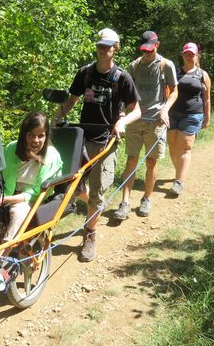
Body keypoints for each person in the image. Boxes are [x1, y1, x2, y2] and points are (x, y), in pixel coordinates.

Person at [55, 28, 141, 262]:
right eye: (100, 46)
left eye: (107, 46)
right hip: (80, 138)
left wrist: (122, 121)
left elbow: (137, 110)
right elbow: (71, 100)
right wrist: (55, 120)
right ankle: (91, 206)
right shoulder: (85, 73)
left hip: (106, 141)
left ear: (116, 48)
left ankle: (90, 234)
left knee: (97, 191)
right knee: (72, 185)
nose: (102, 50)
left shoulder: (122, 77)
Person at [114, 30, 178, 220]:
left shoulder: (166, 65)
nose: (147, 53)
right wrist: (123, 112)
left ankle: (147, 199)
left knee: (151, 162)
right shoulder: (133, 66)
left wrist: (165, 109)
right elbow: (124, 93)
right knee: (131, 160)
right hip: (135, 120)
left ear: (157, 45)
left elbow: (175, 91)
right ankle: (125, 202)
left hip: (156, 121)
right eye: (144, 50)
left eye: (150, 49)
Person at [0, 112, 63, 243]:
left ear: (46, 136)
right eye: (31, 135)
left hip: (34, 198)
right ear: (24, 135)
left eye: (41, 136)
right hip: (9, 193)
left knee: (18, 212)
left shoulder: (51, 157)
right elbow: (2, 177)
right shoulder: (12, 149)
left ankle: (2, 255)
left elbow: (38, 192)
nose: (36, 140)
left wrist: (7, 199)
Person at [166, 43, 211, 196]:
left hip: (192, 114)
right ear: (182, 55)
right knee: (172, 146)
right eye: (186, 53)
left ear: (197, 55)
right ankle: (179, 172)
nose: (189, 56)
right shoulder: (175, 72)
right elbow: (167, 92)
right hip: (172, 113)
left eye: (192, 53)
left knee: (184, 148)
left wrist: (207, 118)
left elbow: (207, 98)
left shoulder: (202, 75)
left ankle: (178, 182)